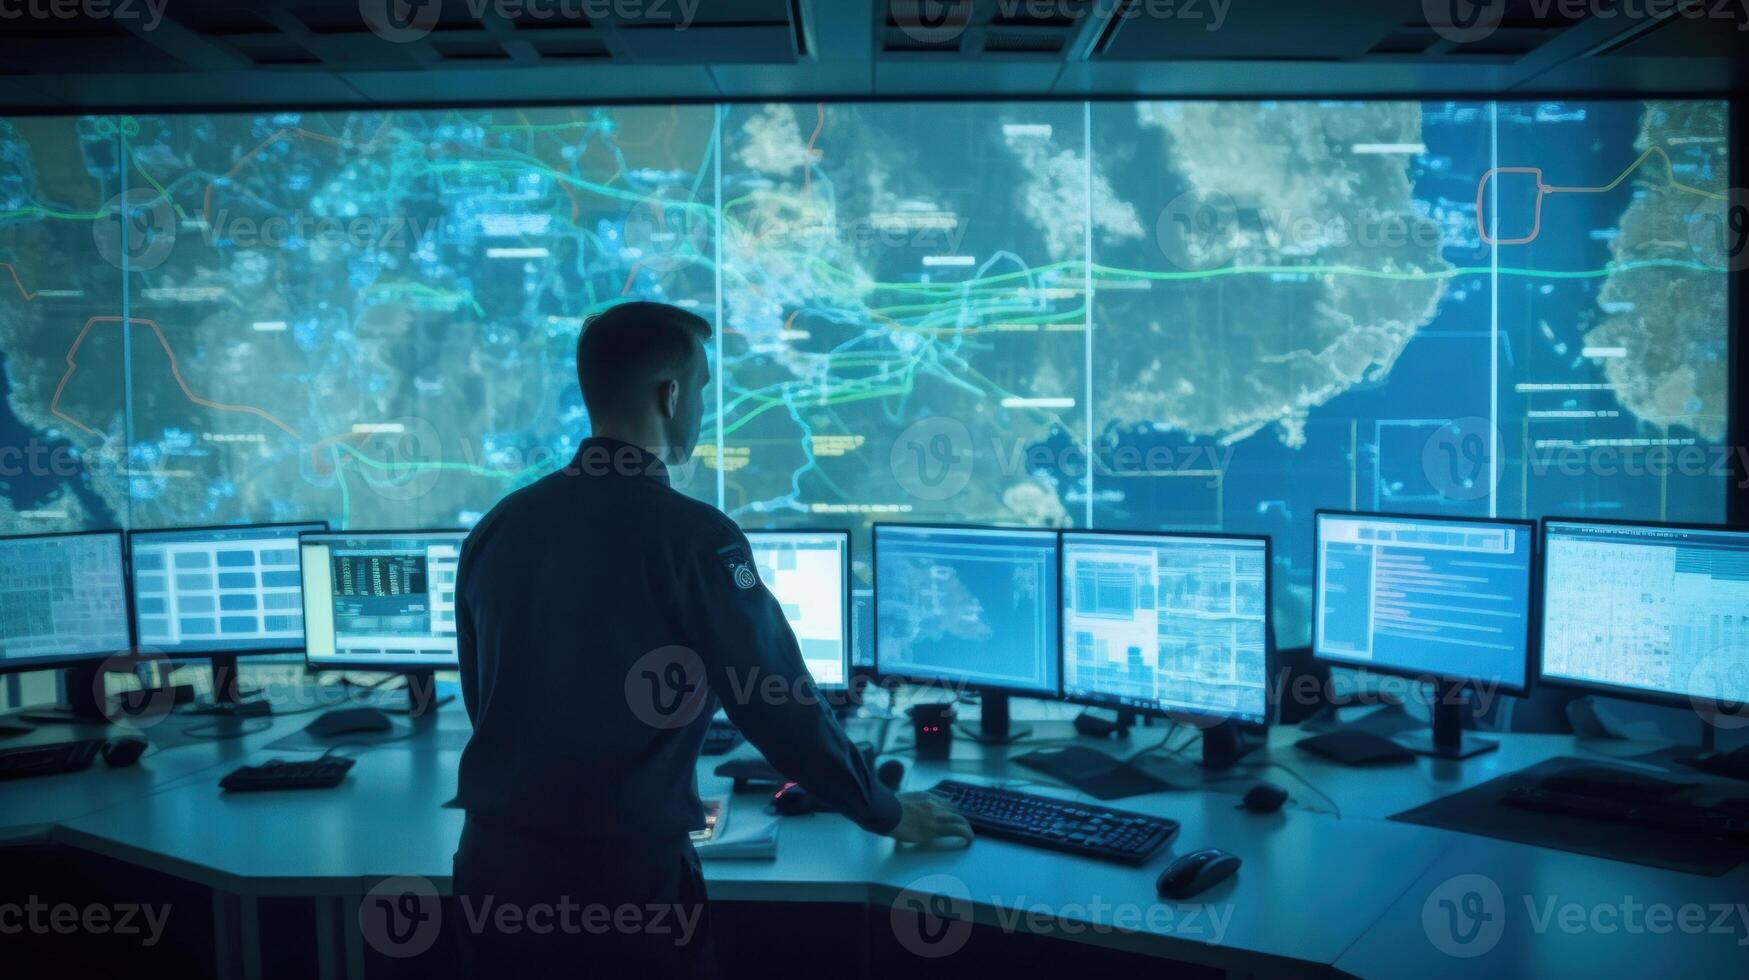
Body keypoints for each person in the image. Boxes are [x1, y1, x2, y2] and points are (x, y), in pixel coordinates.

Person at [450, 301, 973, 978]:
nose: (699, 405)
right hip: (620, 888)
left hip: (493, 876)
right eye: (699, 388)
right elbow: (777, 704)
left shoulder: (498, 527)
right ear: (669, 396)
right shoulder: (694, 538)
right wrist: (883, 810)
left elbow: (484, 696)